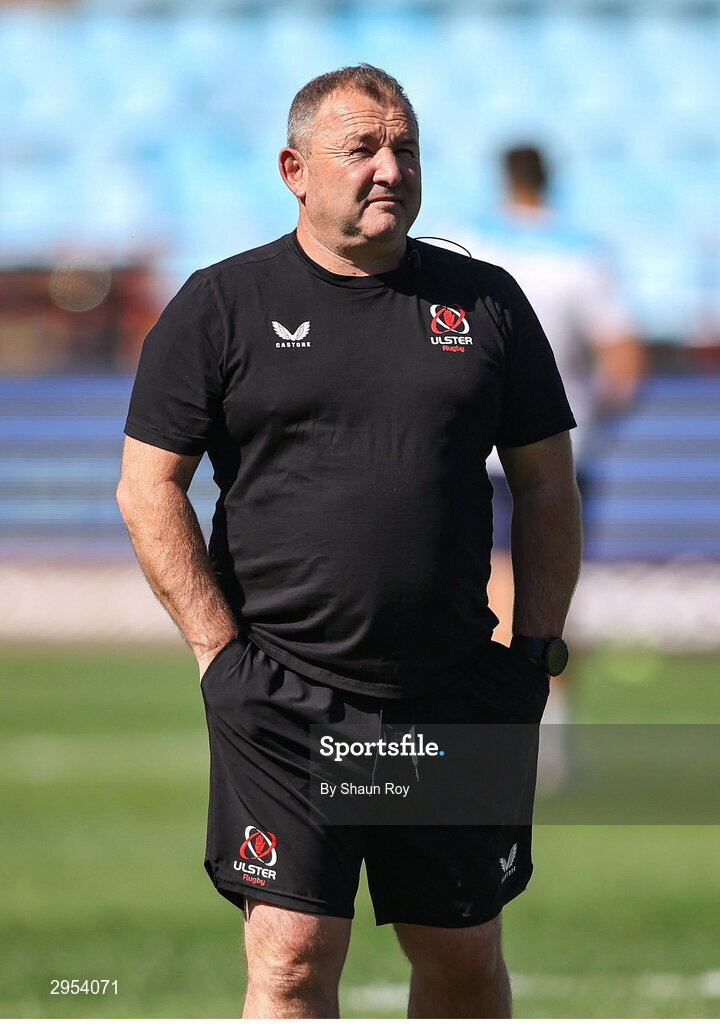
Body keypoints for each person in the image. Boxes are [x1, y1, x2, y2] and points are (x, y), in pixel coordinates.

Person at [117, 66, 581, 1019]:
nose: (388, 168)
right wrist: (216, 654)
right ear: (294, 168)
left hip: (452, 688)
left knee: (461, 957)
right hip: (283, 692)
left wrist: (533, 653)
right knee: (289, 959)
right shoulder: (219, 305)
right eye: (361, 148)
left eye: (404, 148)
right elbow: (146, 487)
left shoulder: (487, 302)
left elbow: (545, 483)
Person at [457, 145, 644, 790]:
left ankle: (503, 730)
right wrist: (594, 418)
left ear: (503, 177)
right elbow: (623, 360)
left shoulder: (472, 248)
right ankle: (552, 729)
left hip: (480, 448)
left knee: (493, 589)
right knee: (553, 589)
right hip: (562, 451)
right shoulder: (584, 255)